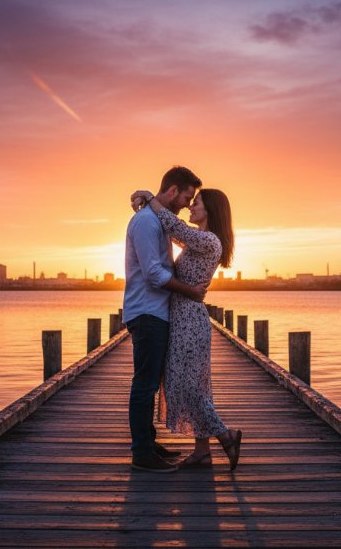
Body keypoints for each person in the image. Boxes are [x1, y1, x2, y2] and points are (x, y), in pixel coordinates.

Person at [131, 187, 243, 471]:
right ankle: (202, 452)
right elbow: (169, 233)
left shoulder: (209, 241)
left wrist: (151, 198)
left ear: (211, 211)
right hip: (181, 317)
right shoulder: (199, 242)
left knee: (190, 386)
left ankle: (226, 436)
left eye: (197, 203)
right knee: (188, 383)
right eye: (191, 202)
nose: (191, 207)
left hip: (190, 321)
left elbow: (175, 227)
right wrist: (146, 205)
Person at [123, 166, 209, 473]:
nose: (187, 204)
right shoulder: (146, 222)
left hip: (156, 312)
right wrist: (190, 291)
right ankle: (141, 453)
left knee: (150, 382)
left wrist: (145, 195)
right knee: (144, 384)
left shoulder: (157, 220)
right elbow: (154, 273)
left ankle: (149, 444)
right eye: (186, 196)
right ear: (173, 190)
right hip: (147, 312)